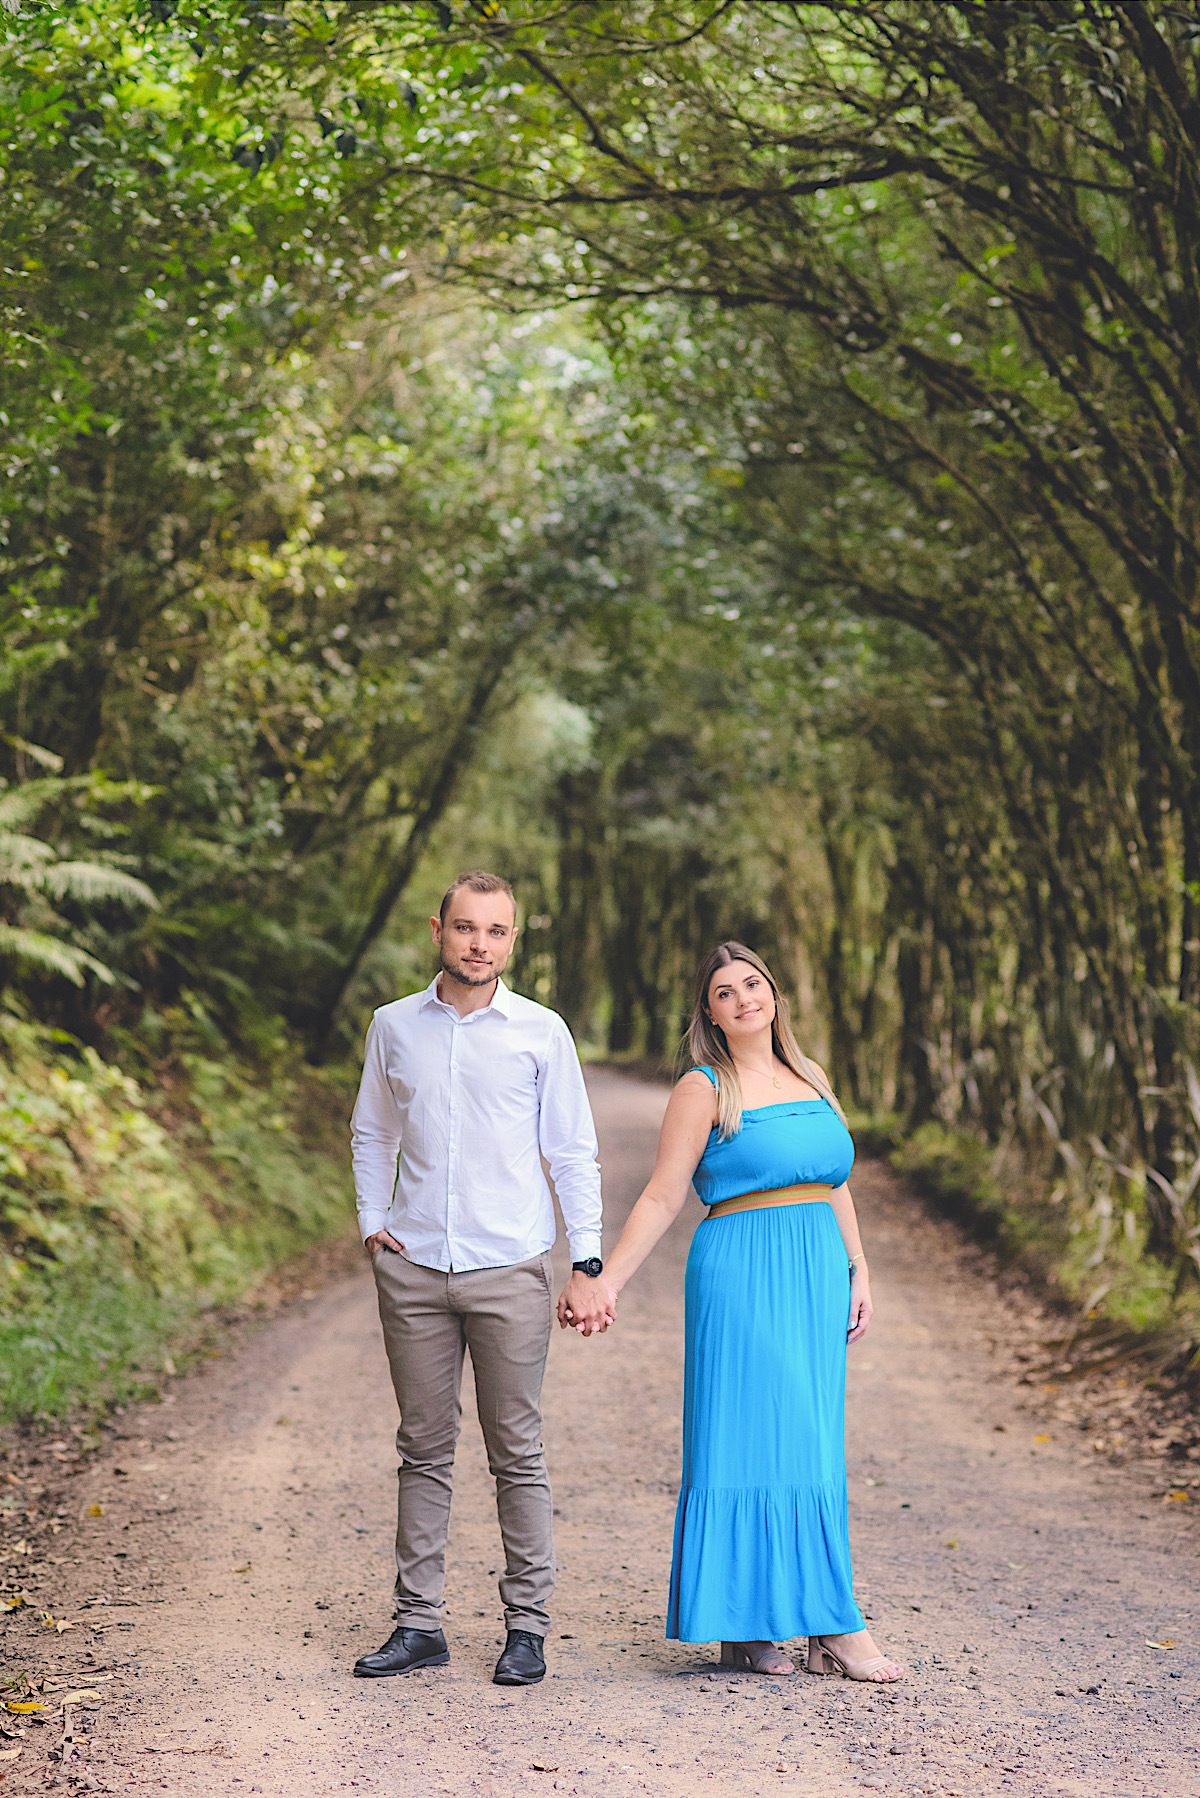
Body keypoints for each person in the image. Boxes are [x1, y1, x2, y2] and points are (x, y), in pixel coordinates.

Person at [559, 941, 903, 1682]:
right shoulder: (704, 1086)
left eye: (753, 983)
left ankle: (817, 1626)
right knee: (744, 1439)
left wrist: (859, 1266)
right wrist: (605, 1279)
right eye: (724, 991)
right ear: (709, 1012)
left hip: (815, 1269)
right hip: (743, 1269)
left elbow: (831, 1179)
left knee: (811, 1442)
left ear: (773, 993)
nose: (743, 998)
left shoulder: (810, 1076)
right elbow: (661, 1194)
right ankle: (761, 1627)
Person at [349, 870, 607, 1688]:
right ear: (438, 930)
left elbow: (571, 1150)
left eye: (495, 932)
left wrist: (587, 1259)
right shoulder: (394, 1026)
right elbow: (371, 1130)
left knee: (516, 1452)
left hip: (511, 1269)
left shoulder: (541, 1031)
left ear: (512, 939)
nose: (478, 944)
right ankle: (418, 1624)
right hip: (415, 1267)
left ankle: (526, 1628)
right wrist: (371, 1222)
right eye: (465, 928)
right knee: (422, 1450)